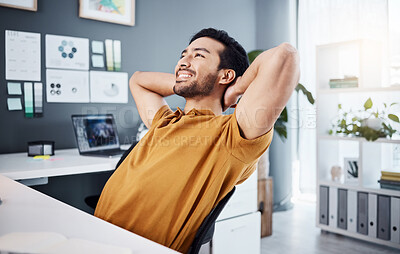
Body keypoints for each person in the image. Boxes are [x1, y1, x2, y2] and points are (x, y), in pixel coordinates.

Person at [94, 28, 299, 253]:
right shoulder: (164, 121)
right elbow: (138, 80)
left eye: (198, 55)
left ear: (226, 75)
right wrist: (184, 80)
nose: (183, 61)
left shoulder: (232, 136)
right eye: (183, 55)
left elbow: (285, 56)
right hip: (92, 235)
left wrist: (236, 90)